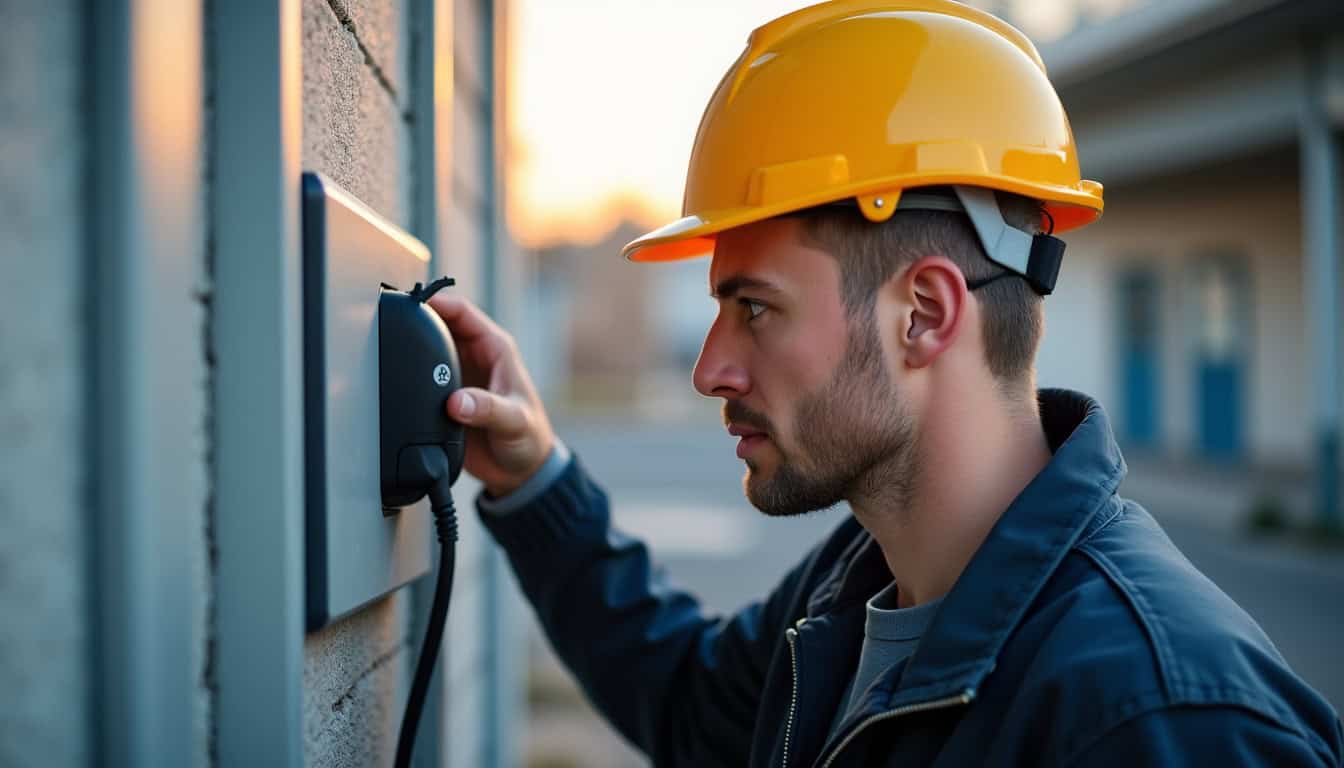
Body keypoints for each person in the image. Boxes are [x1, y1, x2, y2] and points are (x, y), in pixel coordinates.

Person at [429, 1, 1344, 765]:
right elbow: (695, 703)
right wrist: (532, 473)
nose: (709, 368)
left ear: (925, 315)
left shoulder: (1163, 719)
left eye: (754, 308)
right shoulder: (860, 585)